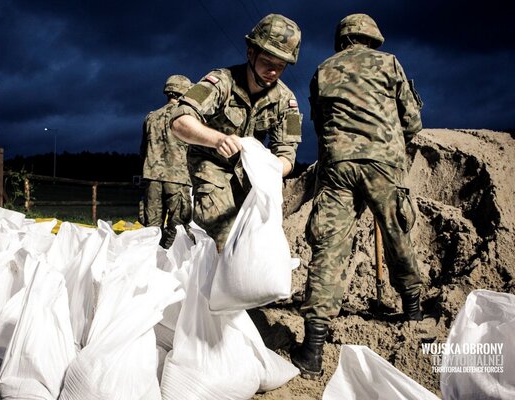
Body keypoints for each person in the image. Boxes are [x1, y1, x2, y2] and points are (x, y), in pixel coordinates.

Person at [290, 13, 425, 379]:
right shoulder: (390, 63)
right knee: (397, 233)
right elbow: (412, 121)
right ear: (372, 38)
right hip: (383, 163)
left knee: (329, 248)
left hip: (337, 164)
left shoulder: (322, 70)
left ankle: (313, 350)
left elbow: (318, 123)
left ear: (342, 38)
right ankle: (412, 312)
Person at [171, 13, 303, 251]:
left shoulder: (286, 100)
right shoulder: (222, 82)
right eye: (268, 62)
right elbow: (180, 120)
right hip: (211, 168)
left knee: (255, 243)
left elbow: (287, 154)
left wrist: (269, 168)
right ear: (251, 53)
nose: (273, 72)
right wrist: (218, 139)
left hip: (250, 179)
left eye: (281, 66)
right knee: (223, 239)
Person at [140, 74, 193, 248]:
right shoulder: (186, 118)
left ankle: (149, 260)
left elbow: (143, 149)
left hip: (152, 177)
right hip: (178, 178)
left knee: (151, 227)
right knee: (178, 226)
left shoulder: (150, 117)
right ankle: (168, 258)